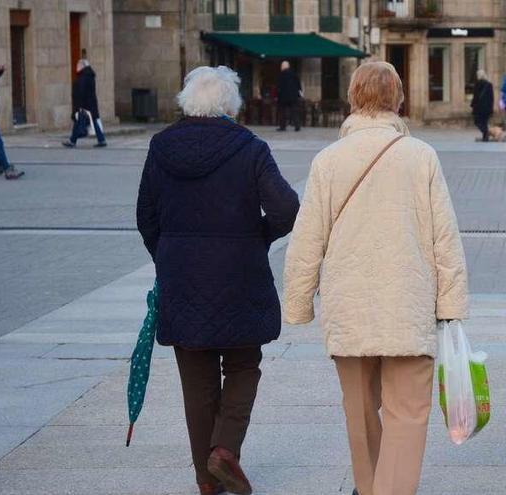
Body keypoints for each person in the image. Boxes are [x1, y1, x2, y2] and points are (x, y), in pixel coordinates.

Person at [283, 61, 468, 495]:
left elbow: (306, 239)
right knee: (408, 412)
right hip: (407, 305)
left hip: (348, 308)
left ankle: (370, 488)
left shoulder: (328, 160)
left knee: (361, 412)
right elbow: (446, 239)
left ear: (353, 99)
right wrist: (452, 308)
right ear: (398, 101)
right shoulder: (421, 156)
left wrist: (298, 304)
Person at [136, 66, 300, 495]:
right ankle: (225, 450)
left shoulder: (160, 147)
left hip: (182, 279)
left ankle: (206, 479)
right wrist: (256, 238)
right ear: (230, 107)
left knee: (197, 377)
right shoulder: (250, 147)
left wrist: (170, 254)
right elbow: (285, 208)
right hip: (239, 278)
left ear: (187, 102)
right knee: (244, 363)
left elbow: (145, 216)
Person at [63, 59, 107, 148]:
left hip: (85, 104)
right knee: (91, 121)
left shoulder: (83, 76)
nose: (76, 68)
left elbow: (81, 91)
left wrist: (79, 105)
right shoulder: (89, 75)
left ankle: (73, 140)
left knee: (81, 120)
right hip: (91, 103)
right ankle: (101, 139)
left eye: (78, 65)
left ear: (82, 66)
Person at [276, 60, 302, 132]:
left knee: (283, 112)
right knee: (295, 111)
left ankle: (283, 126)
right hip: (293, 96)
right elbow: (298, 84)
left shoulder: (281, 75)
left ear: (283, 66)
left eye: (281, 66)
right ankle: (297, 126)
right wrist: (299, 93)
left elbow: (279, 86)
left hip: (284, 96)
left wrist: (278, 96)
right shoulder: (294, 74)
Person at [471, 70, 494, 142]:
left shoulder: (477, 85)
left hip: (479, 107)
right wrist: (491, 107)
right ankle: (485, 136)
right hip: (487, 107)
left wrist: (473, 105)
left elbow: (475, 97)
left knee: (477, 121)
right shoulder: (489, 85)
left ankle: (485, 133)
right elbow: (491, 97)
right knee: (484, 122)